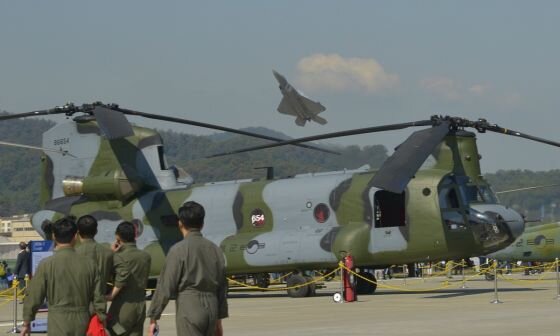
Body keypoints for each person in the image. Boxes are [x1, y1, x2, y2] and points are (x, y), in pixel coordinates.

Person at [147, 201, 228, 336]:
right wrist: (219, 319)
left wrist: (153, 318)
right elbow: (222, 286)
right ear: (202, 224)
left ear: (180, 223)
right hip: (212, 308)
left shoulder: (178, 250)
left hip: (190, 307)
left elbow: (166, 286)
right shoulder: (215, 249)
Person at [21, 216, 106, 336]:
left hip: (57, 321)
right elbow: (99, 296)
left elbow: (34, 295)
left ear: (54, 236)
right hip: (83, 321)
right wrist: (102, 318)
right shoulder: (90, 264)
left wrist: (27, 321)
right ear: (75, 236)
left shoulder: (46, 264)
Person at [106, 221, 151, 336]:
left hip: (122, 307)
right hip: (140, 306)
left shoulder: (118, 257)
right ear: (135, 236)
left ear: (118, 237)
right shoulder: (145, 257)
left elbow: (106, 273)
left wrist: (111, 254)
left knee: (114, 332)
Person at [76, 215, 114, 294]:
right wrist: (112, 294)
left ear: (78, 232)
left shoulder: (73, 253)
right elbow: (124, 271)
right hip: (100, 301)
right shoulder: (108, 253)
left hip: (79, 302)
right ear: (96, 231)